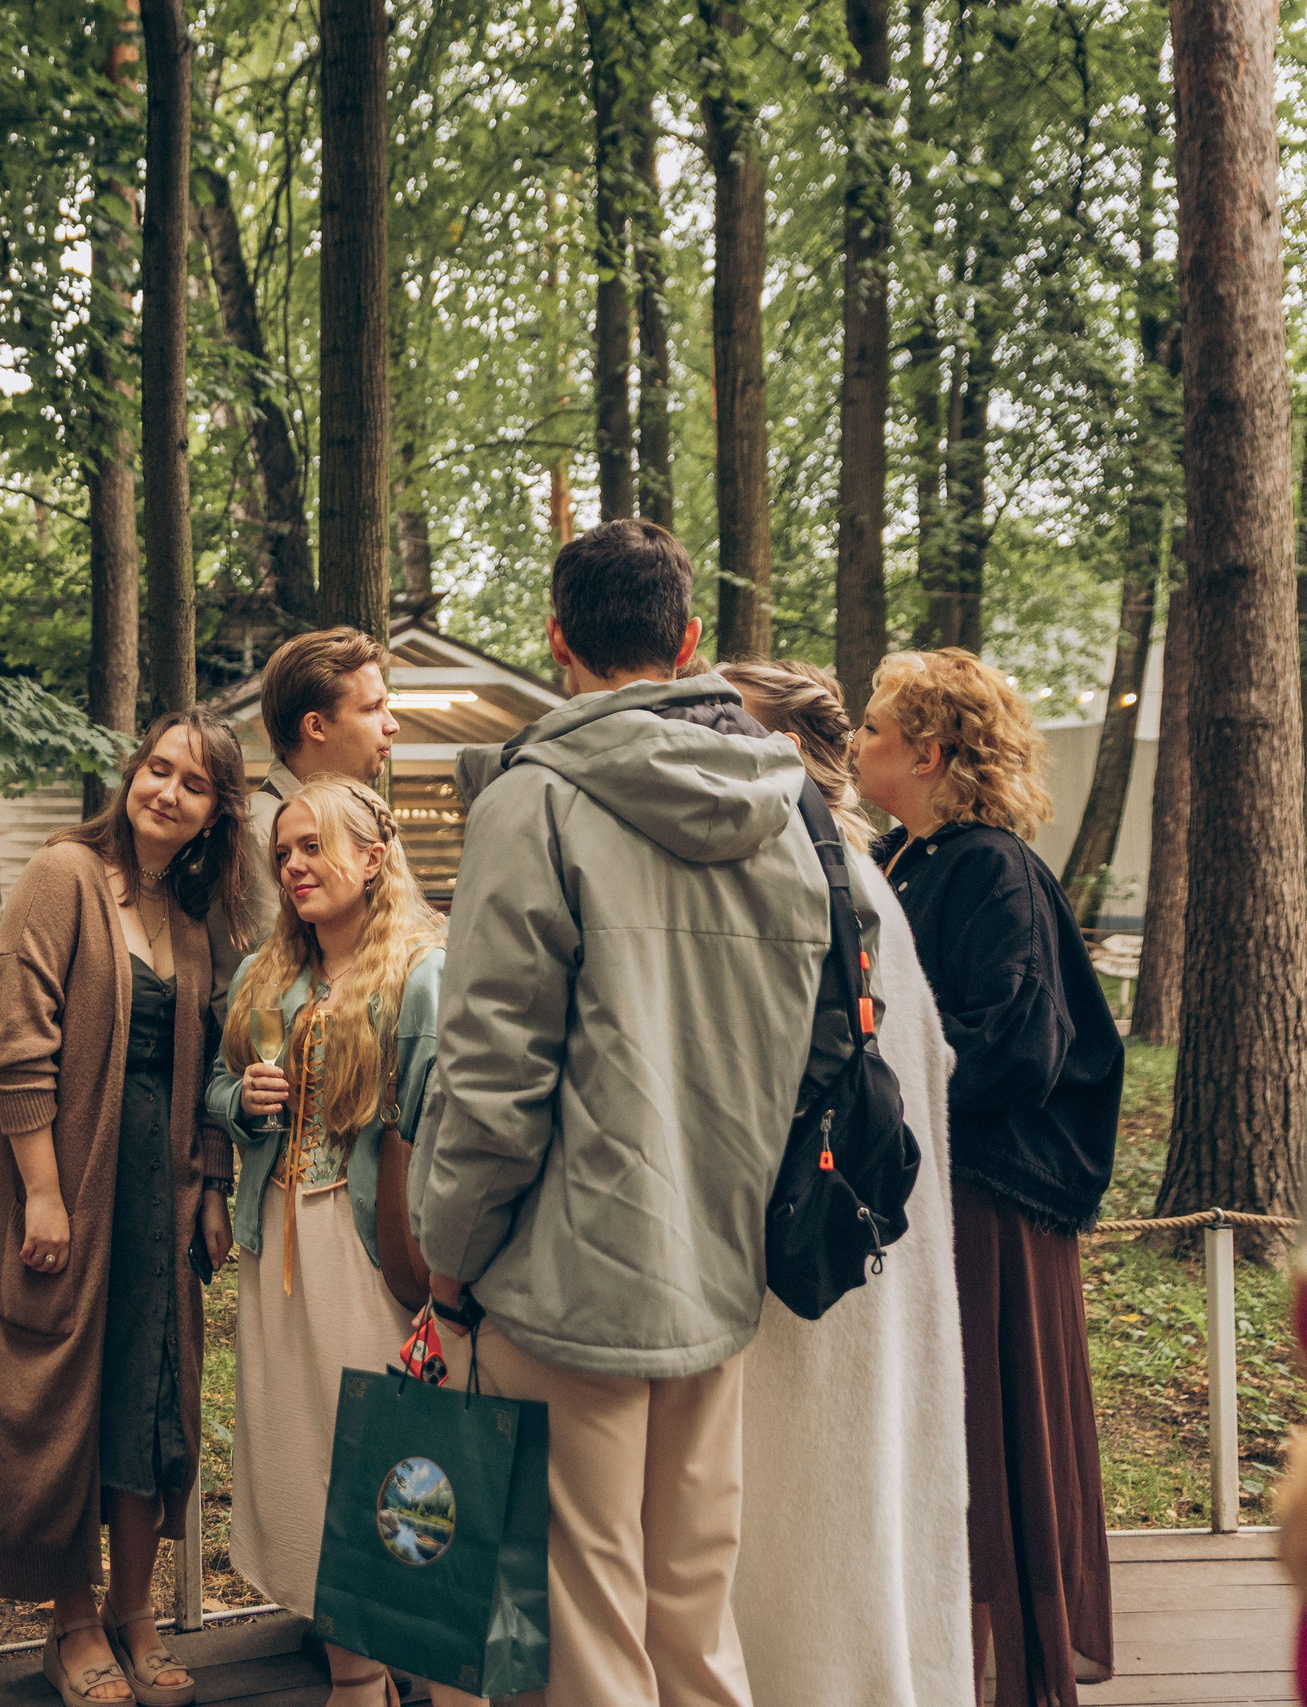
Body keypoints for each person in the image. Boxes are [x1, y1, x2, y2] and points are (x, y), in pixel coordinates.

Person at [411, 518, 830, 1707]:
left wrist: (450, 1256)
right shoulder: (784, 806)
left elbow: (490, 1072)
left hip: (566, 1279)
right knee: (692, 1620)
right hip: (719, 1260)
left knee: (585, 1633)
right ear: (689, 639)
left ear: (557, 644)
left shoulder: (531, 801)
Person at [0, 710, 250, 1707]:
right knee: (59, 1400)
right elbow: (12, 1032)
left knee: (146, 1400)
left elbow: (209, 1062)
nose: (164, 791)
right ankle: (70, 1620)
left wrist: (208, 1182)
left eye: (191, 784)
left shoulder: (195, 924)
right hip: (68, 1186)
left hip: (159, 1204)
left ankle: (133, 1611)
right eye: (155, 769)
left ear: (213, 815)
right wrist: (41, 1191)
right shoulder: (62, 875)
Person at [853, 648, 1121, 1705]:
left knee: (985, 1430)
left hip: (988, 1201)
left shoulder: (989, 867)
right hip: (930, 1190)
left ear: (926, 750)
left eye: (876, 727)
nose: (860, 742)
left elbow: (1016, 1045)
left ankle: (1003, 1676)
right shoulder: (901, 858)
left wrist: (876, 1069)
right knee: (937, 1430)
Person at [718, 660, 973, 1705]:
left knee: (811, 1493)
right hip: (871, 1254)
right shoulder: (860, 881)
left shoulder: (805, 879)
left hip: (813, 1254)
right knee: (855, 1486)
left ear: (774, 752)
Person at [205, 776, 446, 1707]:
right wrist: (244, 1103)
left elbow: (444, 1123)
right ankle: (357, 1669)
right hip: (278, 1246)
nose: (294, 864)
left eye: (314, 847)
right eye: (284, 851)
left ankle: (392, 1666)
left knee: (384, 1456)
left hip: (370, 1249)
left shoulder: (422, 970)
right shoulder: (267, 973)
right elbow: (217, 1094)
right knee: (299, 1449)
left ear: (373, 860)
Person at [241, 629, 401, 940]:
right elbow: (276, 968)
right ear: (316, 726)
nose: (392, 724)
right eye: (372, 708)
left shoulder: (370, 821)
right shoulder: (259, 827)